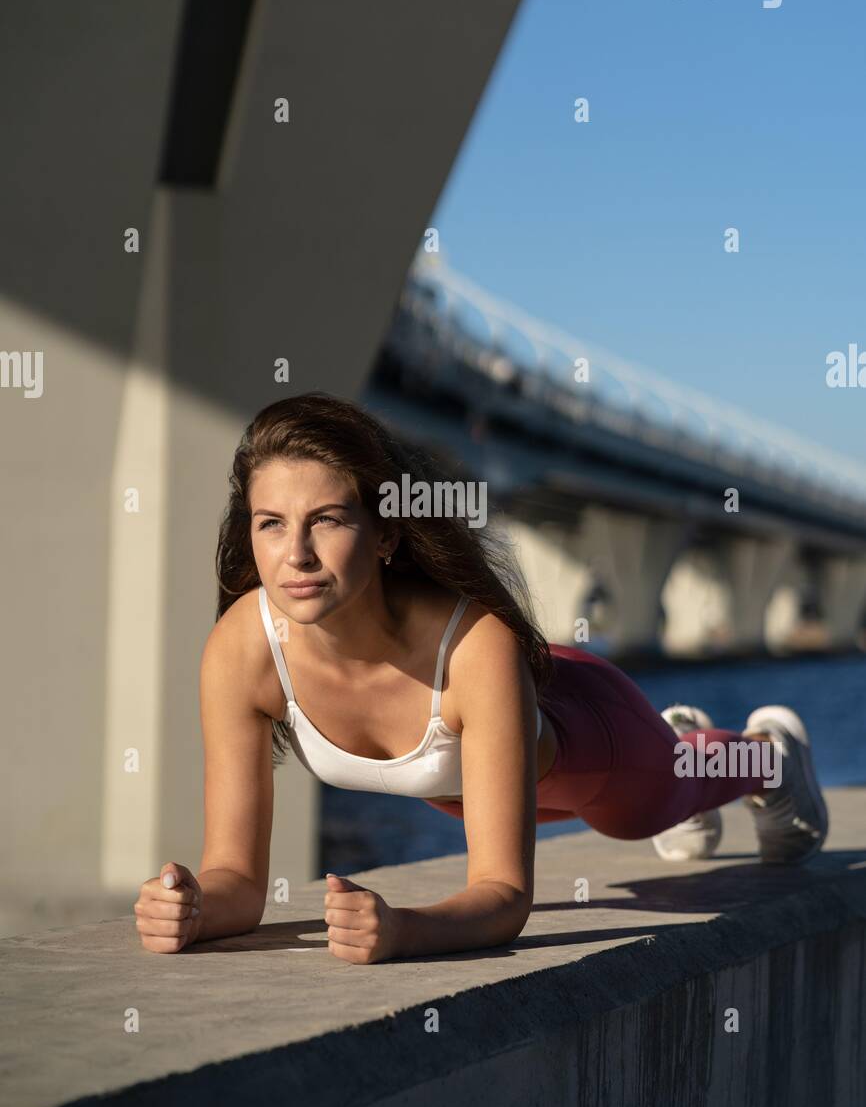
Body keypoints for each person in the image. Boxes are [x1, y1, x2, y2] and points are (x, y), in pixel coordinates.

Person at [133, 393, 828, 962]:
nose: (297, 555)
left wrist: (403, 930)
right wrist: (192, 907)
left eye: (328, 520)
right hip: (467, 785)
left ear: (386, 534)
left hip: (591, 743)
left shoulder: (475, 650)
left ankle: (767, 755)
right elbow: (239, 881)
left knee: (645, 810)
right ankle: (684, 745)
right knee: (632, 790)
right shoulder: (243, 648)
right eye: (271, 524)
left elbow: (503, 896)